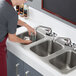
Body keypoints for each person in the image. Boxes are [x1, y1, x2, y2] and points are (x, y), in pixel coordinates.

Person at [0, 0, 36, 76]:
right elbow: (12, 38)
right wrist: (25, 41)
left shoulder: (3, 2)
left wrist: (26, 25)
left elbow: (9, 18)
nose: (25, 1)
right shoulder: (12, 13)